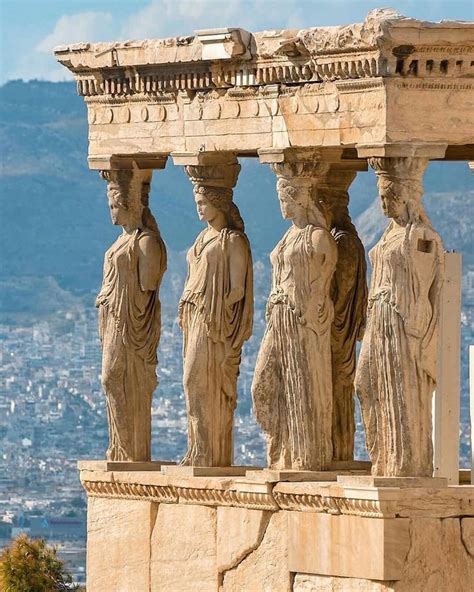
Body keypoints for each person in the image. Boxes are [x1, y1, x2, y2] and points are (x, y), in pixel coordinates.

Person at [355, 158, 443, 476]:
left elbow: (428, 282)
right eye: (380, 196)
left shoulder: (420, 235)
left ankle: (405, 463)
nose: (382, 203)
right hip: (379, 316)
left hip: (402, 321)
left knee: (402, 388)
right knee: (364, 382)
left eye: (386, 196)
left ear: (404, 195)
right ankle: (383, 457)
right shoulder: (390, 234)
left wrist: (416, 320)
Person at [252, 170, 337, 471]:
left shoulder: (319, 238)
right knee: (262, 381)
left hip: (302, 321)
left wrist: (310, 310)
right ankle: (282, 445)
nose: (281, 205)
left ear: (299, 199)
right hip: (278, 316)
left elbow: (323, 284)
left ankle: (305, 454)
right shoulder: (287, 237)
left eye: (284, 198)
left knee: (304, 384)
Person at [179, 173, 253, 467]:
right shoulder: (202, 238)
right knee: (192, 383)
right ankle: (198, 449)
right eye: (197, 202)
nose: (198, 208)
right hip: (194, 317)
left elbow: (237, 289)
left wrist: (216, 308)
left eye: (203, 202)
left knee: (197, 381)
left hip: (214, 323)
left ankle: (210, 451)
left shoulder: (232, 241)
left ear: (218, 203)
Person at [96, 169, 167, 462]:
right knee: (111, 379)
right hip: (113, 319)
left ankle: (132, 451)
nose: (111, 212)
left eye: (115, 205)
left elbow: (149, 284)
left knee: (115, 377)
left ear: (129, 205)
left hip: (130, 323)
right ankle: (122, 448)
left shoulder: (145, 241)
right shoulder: (121, 242)